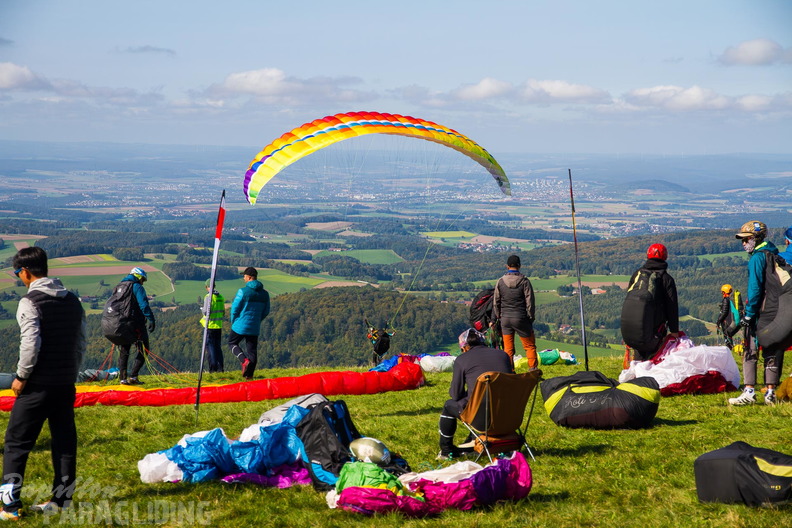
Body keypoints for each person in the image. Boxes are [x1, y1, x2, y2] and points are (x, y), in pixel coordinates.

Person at [1, 247, 86, 520]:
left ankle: (9, 507)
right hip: (65, 383)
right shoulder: (74, 301)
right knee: (64, 442)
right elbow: (80, 343)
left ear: (25, 272)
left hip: (36, 384)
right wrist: (72, 372)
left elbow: (31, 344)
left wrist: (21, 376)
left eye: (18, 274)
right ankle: (62, 501)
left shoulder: (30, 302)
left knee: (16, 444)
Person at [729, 221, 784, 406]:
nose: (743, 244)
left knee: (750, 348)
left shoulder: (756, 259)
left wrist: (749, 314)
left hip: (760, 310)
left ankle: (749, 390)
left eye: (746, 239)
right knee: (772, 349)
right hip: (777, 309)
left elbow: (754, 288)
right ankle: (770, 392)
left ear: (755, 238)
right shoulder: (775, 254)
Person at [437, 328, 513, 460]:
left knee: (449, 405)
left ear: (465, 347)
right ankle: (472, 440)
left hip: (480, 417)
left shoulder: (462, 360)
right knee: (477, 399)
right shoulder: (503, 355)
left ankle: (446, 450)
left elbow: (455, 395)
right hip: (508, 414)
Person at [623, 243, 680, 361]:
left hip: (635, 328)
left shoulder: (638, 274)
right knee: (653, 359)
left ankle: (636, 375)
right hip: (655, 329)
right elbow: (672, 306)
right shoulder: (666, 279)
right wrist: (674, 331)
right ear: (665, 257)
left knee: (639, 359)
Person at [492, 255, 537, 369]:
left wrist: (498, 317)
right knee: (529, 346)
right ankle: (533, 371)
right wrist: (530, 317)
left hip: (505, 319)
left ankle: (509, 372)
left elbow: (496, 302)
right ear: (519, 266)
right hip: (521, 317)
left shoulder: (500, 281)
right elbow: (530, 301)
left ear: (507, 266)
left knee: (508, 349)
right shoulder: (524, 281)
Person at [116, 267, 155, 385]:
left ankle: (122, 379)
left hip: (121, 323)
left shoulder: (120, 286)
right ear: (139, 277)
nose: (143, 282)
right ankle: (133, 376)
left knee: (124, 350)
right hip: (135, 323)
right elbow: (143, 305)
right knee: (144, 348)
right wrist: (151, 319)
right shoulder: (137, 287)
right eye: (143, 279)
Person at [229, 267, 270, 380]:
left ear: (249, 277)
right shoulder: (265, 294)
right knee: (252, 350)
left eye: (245, 276)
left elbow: (235, 309)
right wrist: (257, 320)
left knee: (232, 343)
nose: (244, 278)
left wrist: (234, 321)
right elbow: (266, 311)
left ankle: (244, 360)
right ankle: (249, 377)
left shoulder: (242, 291)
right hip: (254, 325)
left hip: (240, 324)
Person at [200, 279, 225, 373]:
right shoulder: (221, 297)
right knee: (217, 347)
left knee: (210, 348)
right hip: (218, 326)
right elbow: (222, 312)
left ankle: (213, 368)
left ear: (207, 287)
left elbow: (206, 312)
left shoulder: (208, 297)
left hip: (210, 326)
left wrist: (202, 309)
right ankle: (220, 368)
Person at [715, 284, 742, 349]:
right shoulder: (731, 300)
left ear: (724, 292)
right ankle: (731, 349)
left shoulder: (725, 300)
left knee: (727, 336)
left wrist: (718, 321)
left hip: (727, 323)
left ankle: (730, 350)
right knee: (729, 335)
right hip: (735, 321)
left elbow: (724, 312)